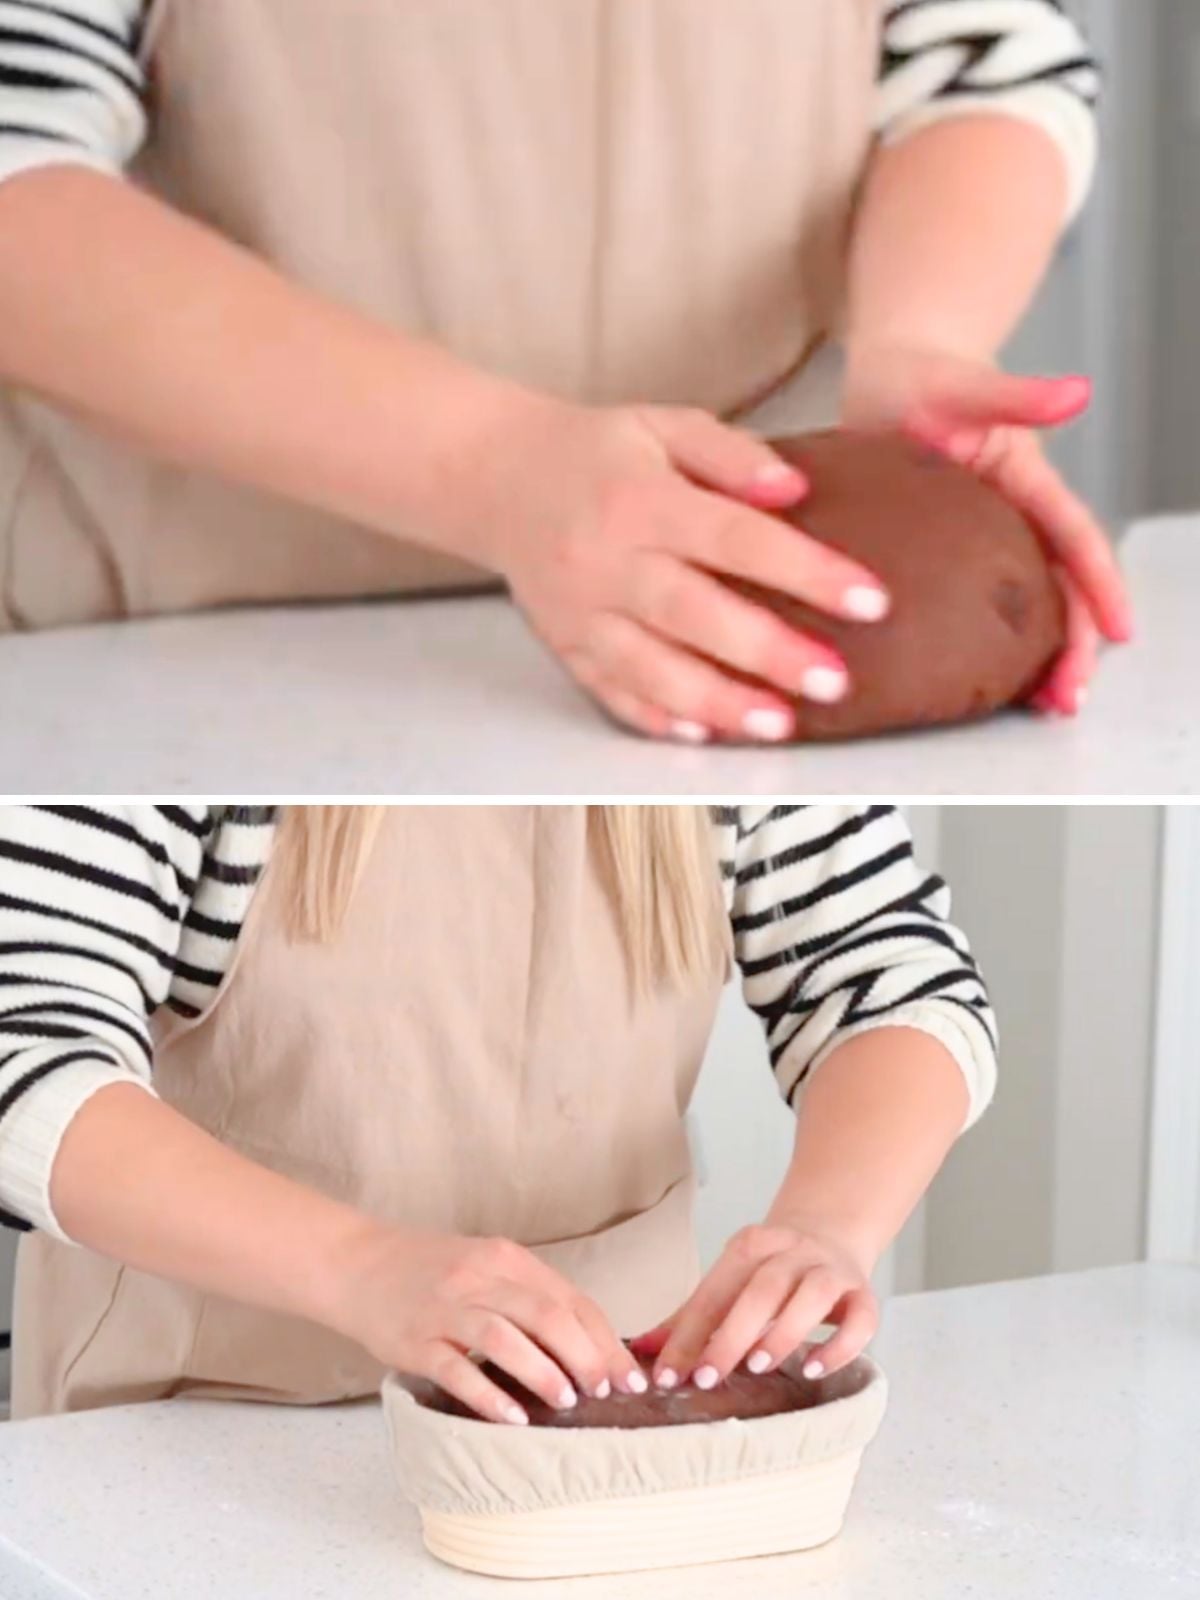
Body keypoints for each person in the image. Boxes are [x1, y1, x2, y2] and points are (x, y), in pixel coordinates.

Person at [0, 2, 1128, 743]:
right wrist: (493, 469)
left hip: (731, 604)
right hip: (173, 656)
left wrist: (922, 336)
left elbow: (986, 62)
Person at [0, 803, 995, 1422]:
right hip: (197, 1422)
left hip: (607, 1445)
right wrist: (361, 1266)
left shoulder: (717, 688)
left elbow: (896, 979)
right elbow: (24, 1048)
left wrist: (825, 1229)